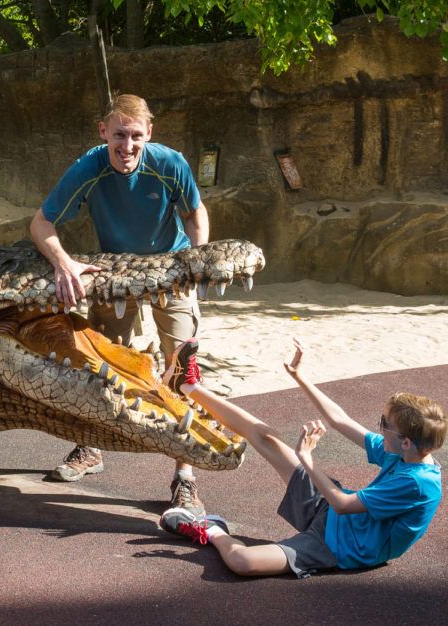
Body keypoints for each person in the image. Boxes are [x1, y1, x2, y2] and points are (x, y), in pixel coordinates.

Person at [30, 93, 210, 516]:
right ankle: (90, 447)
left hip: (170, 269)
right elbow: (41, 223)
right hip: (117, 273)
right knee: (100, 364)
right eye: (119, 136)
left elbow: (195, 214)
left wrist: (195, 263)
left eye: (135, 136)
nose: (127, 146)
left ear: (149, 133)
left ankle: (185, 478)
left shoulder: (170, 165)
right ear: (103, 132)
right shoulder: (88, 167)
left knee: (183, 369)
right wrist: (64, 264)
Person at [159, 339, 444, 578]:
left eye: (385, 423)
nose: (379, 428)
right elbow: (339, 419)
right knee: (267, 438)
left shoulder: (418, 484)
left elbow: (344, 505)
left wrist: (306, 458)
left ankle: (211, 529)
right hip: (330, 509)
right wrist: (300, 377)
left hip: (340, 547)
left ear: (406, 441)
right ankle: (187, 385)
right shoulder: (404, 452)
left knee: (242, 563)